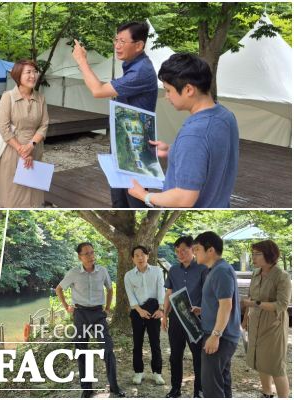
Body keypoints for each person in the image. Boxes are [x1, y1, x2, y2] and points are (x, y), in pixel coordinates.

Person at [128, 53, 239, 207]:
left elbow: (184, 198)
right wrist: (171, 151)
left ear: (188, 89)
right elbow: (210, 154)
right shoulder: (225, 115)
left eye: (168, 90)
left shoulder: (194, 134)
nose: (167, 96)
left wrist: (145, 195)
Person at [72, 21, 157, 208]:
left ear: (139, 45)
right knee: (119, 201)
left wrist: (81, 61)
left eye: (122, 41)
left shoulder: (141, 71)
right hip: (122, 144)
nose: (117, 46)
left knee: (135, 202)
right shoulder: (132, 66)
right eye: (116, 40)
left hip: (135, 150)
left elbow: (98, 90)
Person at [55, 242, 126, 398]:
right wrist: (67, 306)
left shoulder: (102, 271)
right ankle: (87, 389)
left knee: (108, 349)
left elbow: (109, 288)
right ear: (80, 257)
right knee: (82, 351)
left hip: (98, 314)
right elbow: (59, 289)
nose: (91, 256)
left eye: (92, 252)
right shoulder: (74, 273)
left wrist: (107, 309)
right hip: (80, 314)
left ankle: (114, 386)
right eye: (86, 253)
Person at [0, 59, 49, 208]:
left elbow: (44, 125)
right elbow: (4, 128)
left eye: (34, 72)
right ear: (18, 76)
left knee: (32, 197)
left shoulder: (40, 98)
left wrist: (31, 145)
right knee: (12, 196)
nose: (33, 76)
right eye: (28, 72)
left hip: (35, 151)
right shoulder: (8, 96)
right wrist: (22, 151)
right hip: (12, 152)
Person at [192, 231, 240, 398]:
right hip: (220, 335)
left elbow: (227, 305)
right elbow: (219, 303)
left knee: (211, 386)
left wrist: (215, 335)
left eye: (197, 249)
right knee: (222, 382)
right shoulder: (215, 270)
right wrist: (203, 309)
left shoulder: (221, 271)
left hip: (220, 336)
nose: (194, 253)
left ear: (210, 250)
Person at [241, 240, 291, 398]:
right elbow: (250, 296)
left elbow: (282, 305)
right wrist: (245, 319)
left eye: (257, 254)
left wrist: (255, 304)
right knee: (261, 360)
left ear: (269, 255)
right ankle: (267, 393)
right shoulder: (256, 273)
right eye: (253, 254)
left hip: (273, 325)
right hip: (256, 322)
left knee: (276, 366)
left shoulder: (281, 276)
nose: (253, 258)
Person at [162, 236, 207, 398]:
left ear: (193, 249)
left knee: (198, 356)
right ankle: (175, 389)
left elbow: (208, 294)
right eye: (177, 251)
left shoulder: (203, 268)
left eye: (184, 250)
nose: (180, 254)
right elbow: (169, 293)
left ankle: (199, 391)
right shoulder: (173, 270)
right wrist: (164, 315)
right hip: (176, 318)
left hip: (196, 318)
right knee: (175, 356)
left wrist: (202, 310)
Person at [124, 245, 165, 385]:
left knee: (155, 342)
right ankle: (138, 372)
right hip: (137, 311)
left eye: (143, 254)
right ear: (132, 258)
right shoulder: (128, 275)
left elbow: (161, 290)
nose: (140, 258)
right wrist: (140, 311)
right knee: (137, 343)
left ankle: (157, 373)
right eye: (136, 255)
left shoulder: (157, 271)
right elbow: (130, 295)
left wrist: (161, 309)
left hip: (154, 310)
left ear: (147, 256)